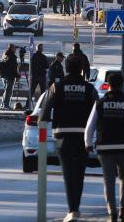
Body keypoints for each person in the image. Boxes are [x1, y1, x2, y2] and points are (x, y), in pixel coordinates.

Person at [42, 55, 98, 222]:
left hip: (62, 133)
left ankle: (71, 210)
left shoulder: (57, 86)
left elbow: (46, 109)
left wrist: (42, 124)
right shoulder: (89, 88)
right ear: (81, 69)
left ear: (66, 68)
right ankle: (76, 208)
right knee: (79, 173)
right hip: (83, 134)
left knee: (68, 172)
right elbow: (98, 110)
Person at [85, 74, 124, 222]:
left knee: (109, 180)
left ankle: (111, 212)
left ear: (108, 85)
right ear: (122, 85)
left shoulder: (100, 103)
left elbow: (90, 126)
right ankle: (123, 211)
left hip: (105, 148)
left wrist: (88, 143)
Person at [0, 44, 19, 110]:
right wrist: (17, 75)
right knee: (8, 91)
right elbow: (13, 67)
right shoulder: (12, 57)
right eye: (14, 48)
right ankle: (5, 105)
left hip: (4, 75)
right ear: (12, 48)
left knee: (6, 90)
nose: (15, 50)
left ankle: (3, 104)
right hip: (9, 76)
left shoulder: (5, 54)